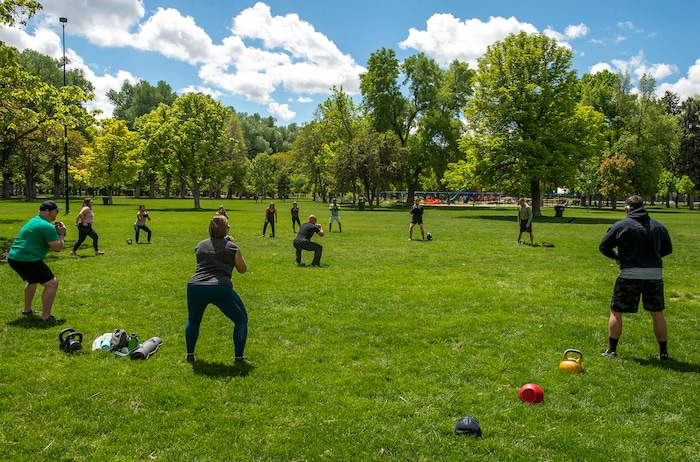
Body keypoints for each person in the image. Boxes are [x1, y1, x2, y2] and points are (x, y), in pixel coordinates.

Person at [599, 195, 673, 360]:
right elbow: (667, 249)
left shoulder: (621, 225)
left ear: (627, 209)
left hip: (630, 274)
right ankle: (664, 352)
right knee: (657, 313)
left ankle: (611, 350)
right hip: (654, 275)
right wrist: (652, 256)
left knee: (616, 311)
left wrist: (617, 256)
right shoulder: (658, 226)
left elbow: (603, 246)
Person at [186, 215, 250, 365]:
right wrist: (234, 246)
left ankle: (190, 355)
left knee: (193, 320)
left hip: (195, 286)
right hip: (220, 287)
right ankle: (239, 358)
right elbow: (242, 269)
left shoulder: (200, 245)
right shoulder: (231, 247)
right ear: (226, 229)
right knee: (241, 320)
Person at [7, 200, 66, 322]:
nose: (57, 214)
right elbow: (57, 248)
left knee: (32, 280)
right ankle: (46, 317)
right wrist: (61, 234)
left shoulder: (34, 220)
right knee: (52, 284)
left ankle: (27, 310)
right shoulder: (46, 226)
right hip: (27, 259)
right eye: (56, 211)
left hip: (14, 258)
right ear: (49, 211)